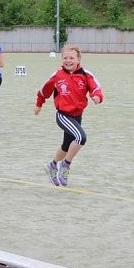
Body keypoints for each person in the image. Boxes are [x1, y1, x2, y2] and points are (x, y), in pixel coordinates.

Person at [34, 46, 104, 187]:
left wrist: (97, 97)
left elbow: (95, 88)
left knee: (66, 146)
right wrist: (39, 104)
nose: (68, 60)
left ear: (78, 59)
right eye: (65, 58)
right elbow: (43, 90)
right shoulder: (57, 75)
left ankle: (53, 165)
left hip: (77, 115)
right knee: (81, 138)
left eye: (71, 58)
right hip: (63, 115)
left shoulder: (86, 74)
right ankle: (66, 165)